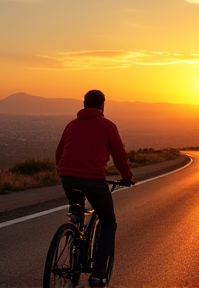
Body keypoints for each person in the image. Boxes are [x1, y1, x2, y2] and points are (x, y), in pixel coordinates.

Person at [55, 89, 134, 287]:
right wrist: (127, 177)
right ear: (103, 105)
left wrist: (64, 173)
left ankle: (73, 231)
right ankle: (98, 274)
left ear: (83, 104)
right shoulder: (108, 126)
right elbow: (119, 156)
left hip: (67, 178)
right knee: (108, 221)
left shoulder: (71, 125)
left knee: (77, 207)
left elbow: (59, 153)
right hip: (94, 180)